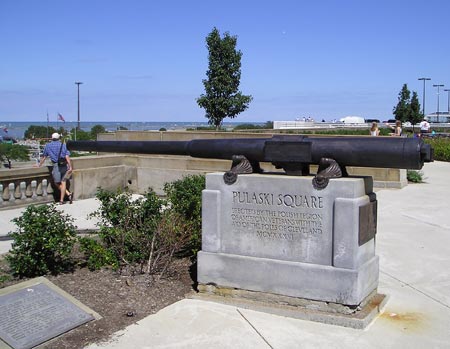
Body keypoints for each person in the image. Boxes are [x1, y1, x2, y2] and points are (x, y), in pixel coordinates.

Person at [35, 133, 73, 204]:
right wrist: (70, 167)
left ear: (52, 138)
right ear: (59, 138)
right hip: (64, 166)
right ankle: (64, 197)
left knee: (56, 183)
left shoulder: (48, 146)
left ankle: (66, 196)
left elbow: (44, 157)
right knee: (63, 182)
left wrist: (39, 165)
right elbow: (67, 157)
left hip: (56, 166)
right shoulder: (63, 145)